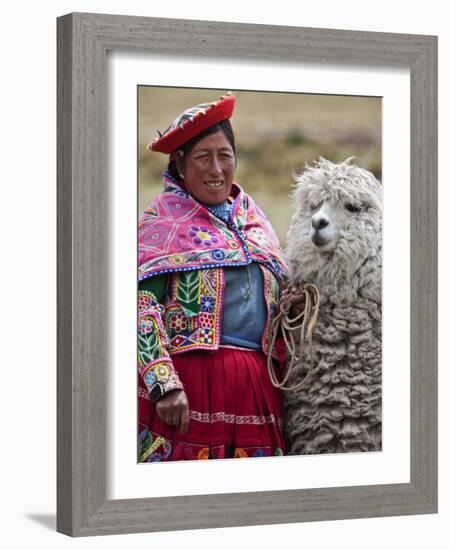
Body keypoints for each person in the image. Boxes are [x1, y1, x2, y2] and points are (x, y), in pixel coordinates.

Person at [138, 92, 300, 461]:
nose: (216, 169)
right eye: (203, 157)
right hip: (188, 391)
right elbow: (141, 308)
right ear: (179, 164)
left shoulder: (255, 222)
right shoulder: (161, 225)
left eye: (224, 156)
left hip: (258, 389)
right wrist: (163, 384)